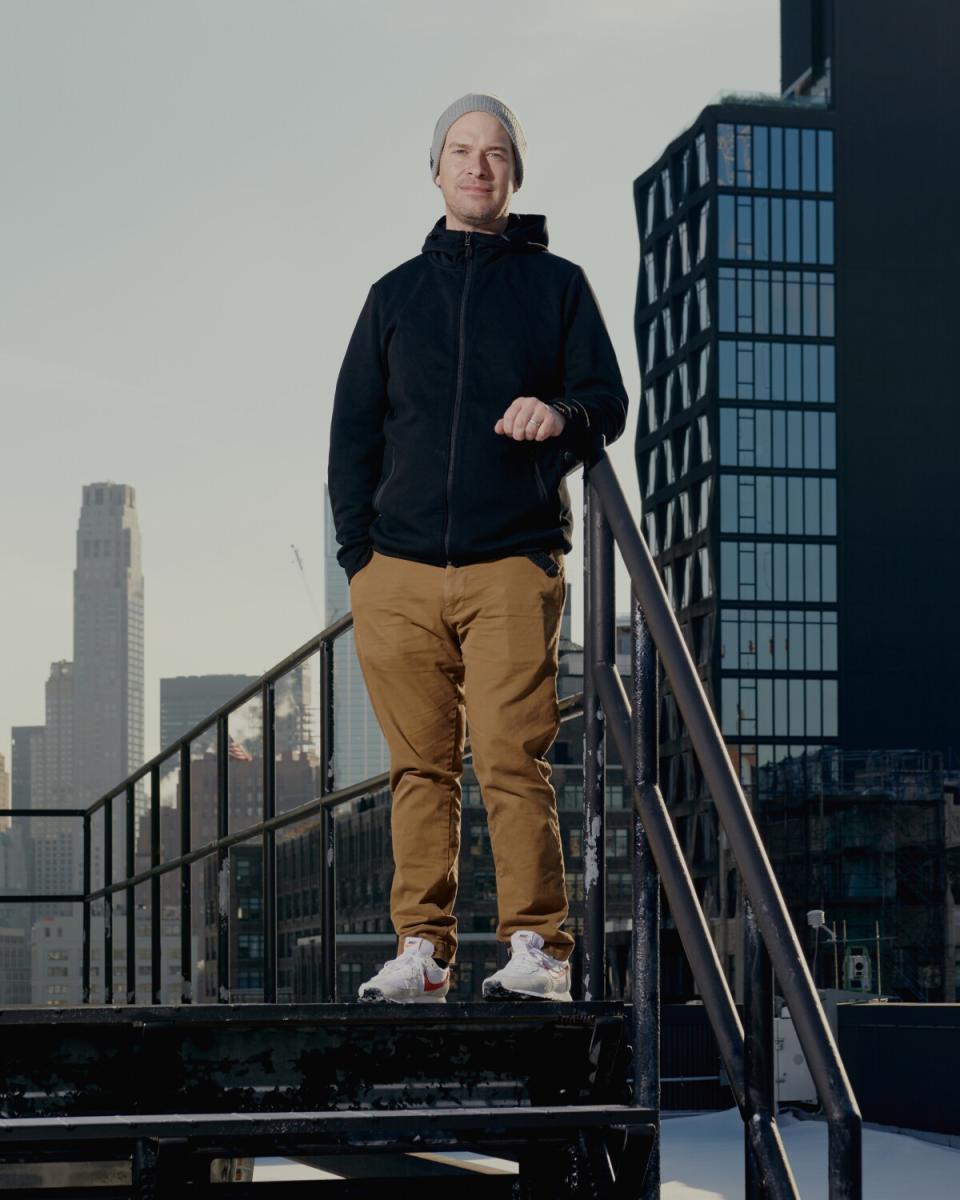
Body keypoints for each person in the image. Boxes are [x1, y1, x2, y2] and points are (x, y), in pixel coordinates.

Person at [327, 93, 628, 1003]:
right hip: (399, 575)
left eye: (495, 153)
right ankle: (422, 952)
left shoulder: (557, 285)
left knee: (509, 756)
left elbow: (605, 403)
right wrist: (362, 560)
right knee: (418, 769)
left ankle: (539, 950)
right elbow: (353, 435)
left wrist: (562, 415)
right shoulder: (393, 297)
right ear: (437, 168)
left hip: (511, 561)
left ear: (514, 173)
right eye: (462, 151)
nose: (478, 166)